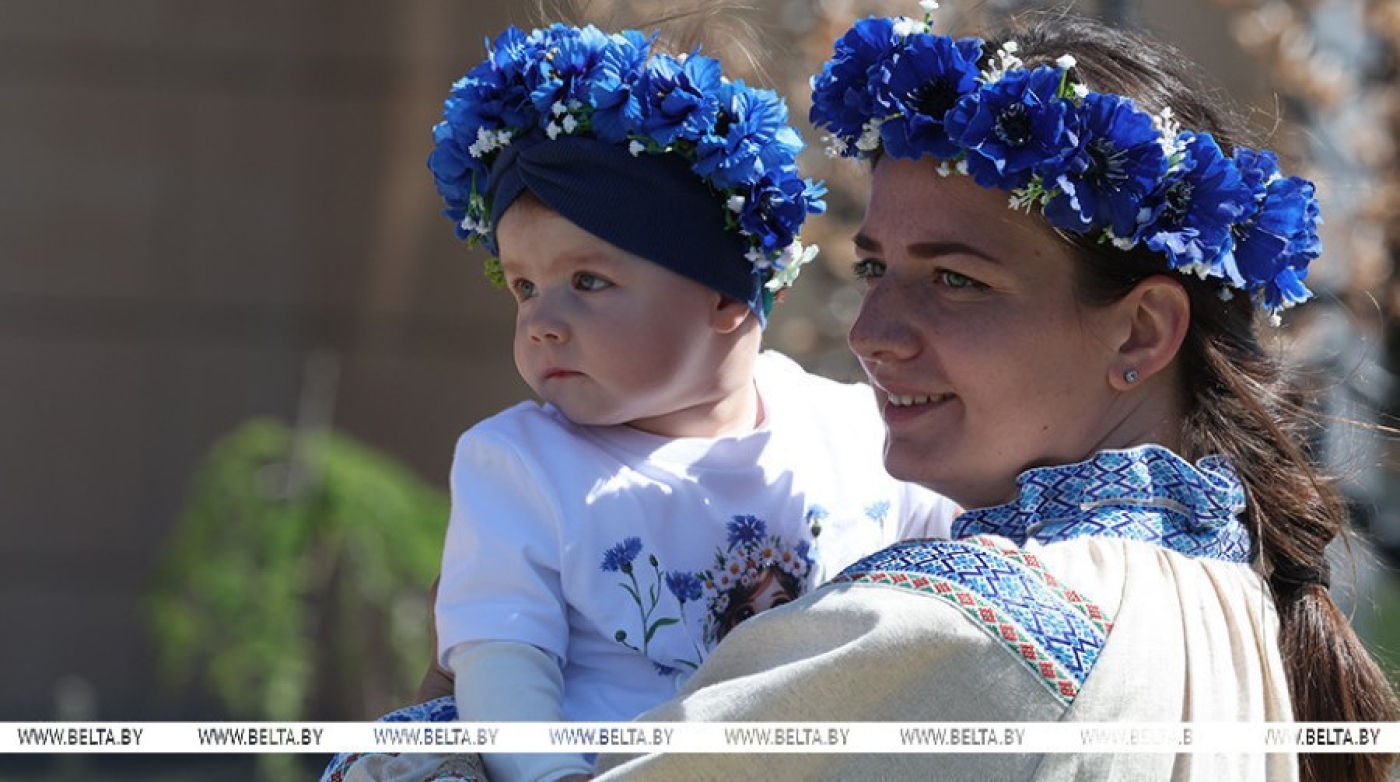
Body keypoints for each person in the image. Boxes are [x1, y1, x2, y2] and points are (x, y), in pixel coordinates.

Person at [324, 6, 1398, 782]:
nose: (871, 333)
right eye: (873, 267)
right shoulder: (1227, 603)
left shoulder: (976, 629)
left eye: (956, 280)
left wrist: (438, 729)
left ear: (1142, 330)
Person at [383, 17, 958, 782]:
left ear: (725, 292)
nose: (542, 322)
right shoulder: (519, 463)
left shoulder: (856, 430)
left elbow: (961, 588)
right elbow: (502, 661)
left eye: (588, 281)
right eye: (524, 287)